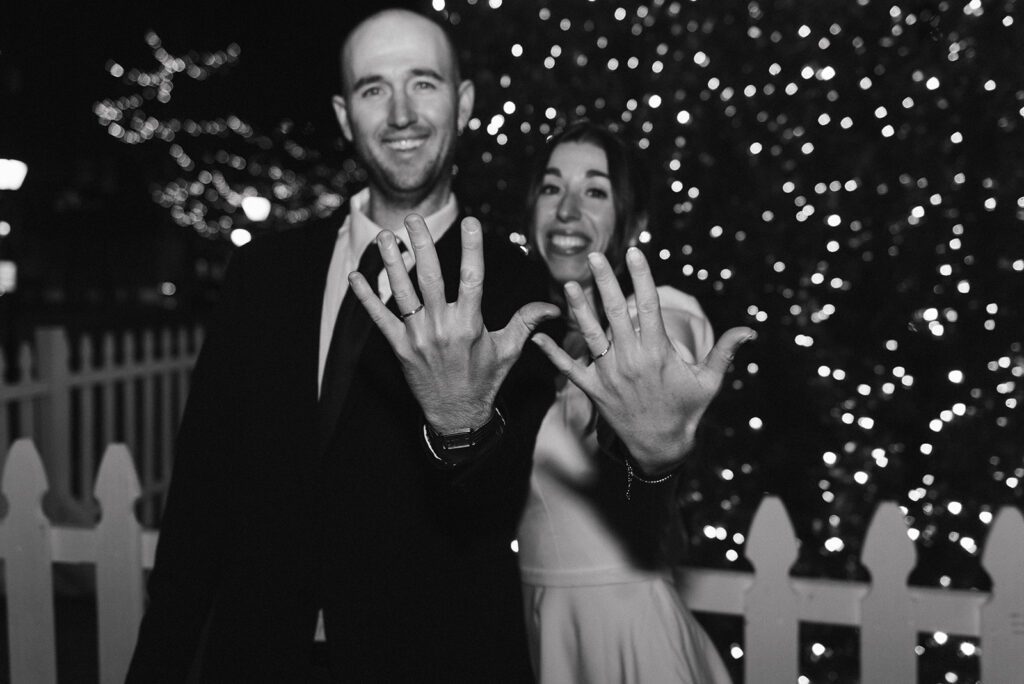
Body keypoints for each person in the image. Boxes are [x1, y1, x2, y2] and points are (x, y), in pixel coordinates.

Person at [127, 8, 560, 682]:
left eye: (424, 83)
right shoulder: (262, 276)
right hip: (260, 653)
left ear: (464, 102)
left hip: (433, 659)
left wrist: (462, 427)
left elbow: (505, 507)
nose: (400, 113)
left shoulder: (517, 287)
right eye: (372, 88)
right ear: (343, 114)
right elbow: (201, 496)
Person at [516, 121, 750, 683]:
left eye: (595, 191)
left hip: (625, 630)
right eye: (552, 188)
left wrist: (653, 429)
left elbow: (663, 367)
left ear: (635, 223)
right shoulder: (518, 339)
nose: (567, 209)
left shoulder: (664, 313)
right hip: (532, 623)